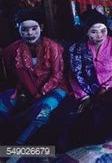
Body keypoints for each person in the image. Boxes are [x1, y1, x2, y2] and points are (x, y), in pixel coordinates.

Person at [35, 8, 112, 152]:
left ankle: (91, 140)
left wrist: (106, 87)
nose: (100, 35)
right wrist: (83, 96)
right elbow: (73, 75)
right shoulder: (77, 48)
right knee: (66, 115)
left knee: (105, 113)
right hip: (83, 90)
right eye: (94, 31)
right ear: (86, 32)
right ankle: (52, 147)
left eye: (103, 30)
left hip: (110, 88)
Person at [0, 8, 67, 144]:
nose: (30, 33)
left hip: (54, 88)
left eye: (34, 28)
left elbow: (57, 75)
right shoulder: (12, 50)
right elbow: (15, 73)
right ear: (17, 28)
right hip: (26, 89)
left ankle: (19, 147)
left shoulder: (53, 47)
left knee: (43, 112)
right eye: (24, 29)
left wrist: (40, 93)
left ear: (41, 27)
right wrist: (24, 91)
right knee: (2, 104)